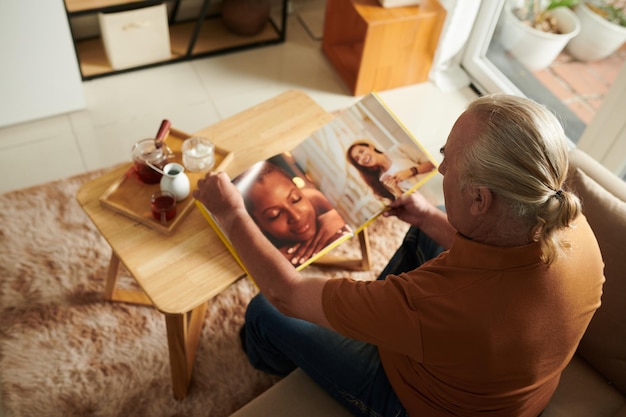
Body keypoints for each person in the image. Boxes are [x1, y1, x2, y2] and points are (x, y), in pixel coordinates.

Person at [193, 94, 605, 417]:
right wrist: (427, 217)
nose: (441, 168)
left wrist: (229, 211)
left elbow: (287, 292)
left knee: (265, 312)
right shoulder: (570, 223)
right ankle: (361, 314)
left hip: (420, 403)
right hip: (507, 382)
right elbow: (491, 268)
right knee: (431, 225)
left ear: (479, 199)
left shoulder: (434, 305)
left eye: (449, 160)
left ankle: (266, 356)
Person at [235, 160, 351, 267]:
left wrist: (334, 216)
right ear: (257, 224)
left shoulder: (314, 198)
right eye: (275, 215)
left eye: (296, 199)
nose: (296, 216)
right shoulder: (255, 246)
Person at [347, 140, 437, 200]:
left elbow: (434, 163)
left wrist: (410, 171)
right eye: (357, 159)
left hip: (437, 187)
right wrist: (396, 189)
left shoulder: (399, 149)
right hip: (428, 205)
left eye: (362, 151)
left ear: (370, 147)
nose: (362, 157)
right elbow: (406, 204)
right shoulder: (382, 180)